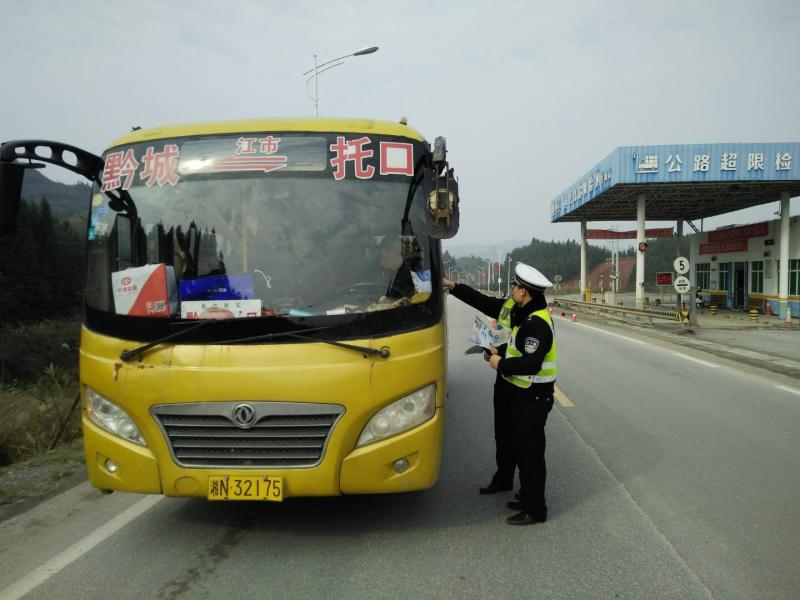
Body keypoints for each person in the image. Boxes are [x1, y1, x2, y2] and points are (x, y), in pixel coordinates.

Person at [445, 262, 557, 525]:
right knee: (509, 438)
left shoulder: (536, 323)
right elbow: (483, 302)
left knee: (530, 453)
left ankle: (535, 508)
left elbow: (531, 363)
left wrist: (499, 363)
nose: (512, 289)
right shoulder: (516, 310)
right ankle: (517, 489)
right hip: (514, 388)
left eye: (516, 286)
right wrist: (498, 352)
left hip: (533, 394)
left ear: (525, 292)